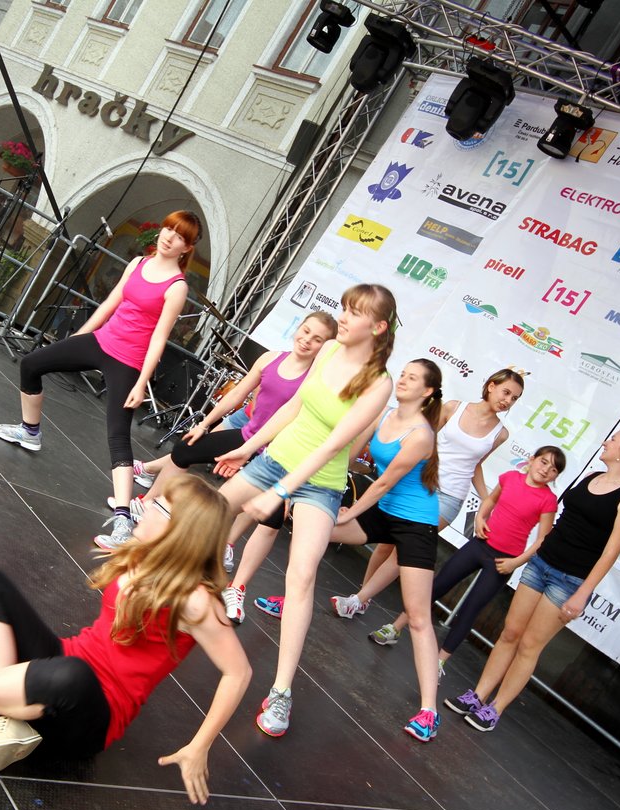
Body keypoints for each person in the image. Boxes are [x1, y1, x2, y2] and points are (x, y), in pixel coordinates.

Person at [0, 475, 251, 803]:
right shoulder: (145, 555)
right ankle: (9, 712)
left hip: (92, 713)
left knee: (71, 675)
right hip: (64, 661)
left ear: (181, 531)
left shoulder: (197, 601)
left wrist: (199, 746)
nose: (145, 506)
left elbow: (238, 673)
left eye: (159, 506)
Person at [212, 283, 396, 737]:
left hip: (321, 483)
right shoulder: (329, 349)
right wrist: (248, 448)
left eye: (354, 313)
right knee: (209, 511)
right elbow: (294, 406)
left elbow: (335, 446)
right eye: (344, 308)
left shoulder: (379, 383)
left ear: (378, 327)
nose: (343, 317)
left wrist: (281, 492)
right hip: (277, 457)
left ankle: (281, 692)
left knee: (301, 576)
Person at [0, 210, 201, 549]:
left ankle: (123, 520)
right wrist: (79, 338)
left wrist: (141, 384)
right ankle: (30, 432)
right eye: (168, 229)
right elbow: (109, 305)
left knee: (117, 435)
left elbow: (159, 339)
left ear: (186, 248)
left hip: (128, 361)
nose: (169, 237)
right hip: (102, 341)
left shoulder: (177, 287)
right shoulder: (138, 263)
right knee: (31, 364)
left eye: (179, 236)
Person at [124, 311, 338, 621]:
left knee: (270, 521)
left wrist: (290, 487)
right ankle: (149, 502)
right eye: (305, 331)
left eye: (317, 339)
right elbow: (238, 394)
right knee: (185, 449)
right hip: (248, 437)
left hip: (278, 456)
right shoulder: (270, 359)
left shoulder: (316, 381)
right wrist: (205, 424)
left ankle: (236, 588)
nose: (307, 340)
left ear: (325, 347)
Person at [447, 427, 620, 732]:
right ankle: (478, 695)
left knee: (529, 645)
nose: (606, 441)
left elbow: (610, 553)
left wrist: (582, 594)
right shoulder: (591, 477)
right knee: (510, 633)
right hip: (541, 564)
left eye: (614, 440)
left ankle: (496, 708)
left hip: (569, 580)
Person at [337, 446, 563, 676]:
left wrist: (516, 563)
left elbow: (542, 540)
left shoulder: (548, 500)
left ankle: (439, 662)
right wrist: (480, 518)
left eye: (554, 469)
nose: (546, 470)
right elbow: (490, 501)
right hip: (478, 545)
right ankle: (394, 628)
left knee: (470, 609)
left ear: (555, 476)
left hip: (504, 561)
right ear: (532, 459)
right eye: (544, 462)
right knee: (436, 586)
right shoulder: (510, 477)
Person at [326, 359, 446, 741]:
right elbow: (354, 454)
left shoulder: (421, 435)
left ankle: (429, 712)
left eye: (413, 378)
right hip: (384, 511)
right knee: (317, 531)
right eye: (403, 374)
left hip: (415, 524)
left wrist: (348, 512)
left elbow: (382, 484)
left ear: (428, 391)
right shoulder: (387, 414)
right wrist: (327, 483)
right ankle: (288, 599)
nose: (404, 379)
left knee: (418, 615)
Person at [363, 368, 527, 648]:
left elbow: (476, 465)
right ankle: (362, 597)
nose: (508, 400)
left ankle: (360, 600)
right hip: (419, 483)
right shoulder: (453, 407)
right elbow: (423, 438)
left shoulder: (501, 434)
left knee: (402, 553)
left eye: (514, 398)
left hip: (450, 497)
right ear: (490, 386)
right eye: (506, 392)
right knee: (385, 545)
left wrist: (486, 499)